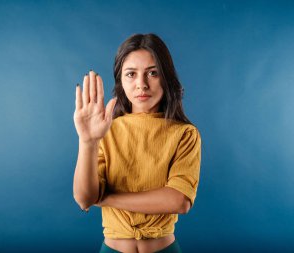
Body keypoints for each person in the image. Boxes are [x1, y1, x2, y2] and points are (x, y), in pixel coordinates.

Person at [73, 33, 201, 253]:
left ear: (166, 77)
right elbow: (85, 199)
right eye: (131, 74)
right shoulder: (106, 130)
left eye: (152, 73)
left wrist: (107, 198)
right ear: (121, 81)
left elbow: (179, 201)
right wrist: (87, 141)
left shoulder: (185, 134)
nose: (141, 84)